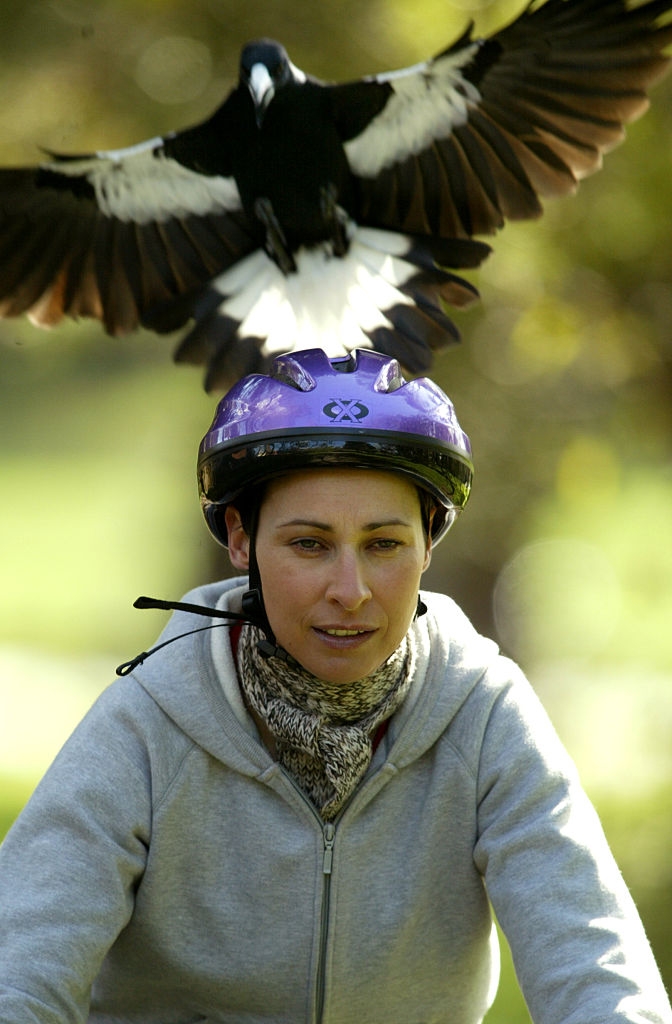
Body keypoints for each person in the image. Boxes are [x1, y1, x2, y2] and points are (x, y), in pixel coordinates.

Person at [0, 347, 670, 1024]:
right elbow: (18, 980)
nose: (350, 592)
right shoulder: (147, 722)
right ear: (240, 538)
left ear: (429, 541)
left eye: (384, 544)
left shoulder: (485, 713)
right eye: (309, 545)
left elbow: (598, 974)